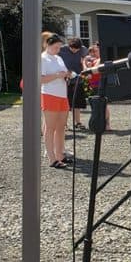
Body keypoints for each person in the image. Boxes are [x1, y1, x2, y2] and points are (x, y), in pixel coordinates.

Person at [41, 32, 73, 169]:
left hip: (62, 95)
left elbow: (64, 73)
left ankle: (60, 154)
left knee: (61, 127)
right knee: (50, 128)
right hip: (49, 95)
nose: (58, 50)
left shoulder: (58, 58)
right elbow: (41, 79)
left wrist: (67, 75)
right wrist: (57, 75)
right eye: (56, 47)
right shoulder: (42, 59)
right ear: (47, 44)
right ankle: (52, 158)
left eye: (59, 47)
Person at [59, 37, 88, 130]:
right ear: (69, 46)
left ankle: (78, 122)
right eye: (72, 49)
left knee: (77, 103)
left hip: (78, 79)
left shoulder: (83, 49)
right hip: (65, 80)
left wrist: (85, 69)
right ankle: (64, 124)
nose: (75, 51)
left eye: (77, 49)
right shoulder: (62, 49)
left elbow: (84, 60)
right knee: (66, 103)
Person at [83, 42, 112, 131]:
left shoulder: (100, 59)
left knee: (104, 105)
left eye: (95, 51)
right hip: (94, 85)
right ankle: (99, 123)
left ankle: (107, 124)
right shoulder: (91, 60)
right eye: (91, 51)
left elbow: (93, 70)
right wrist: (84, 62)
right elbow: (86, 73)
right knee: (96, 105)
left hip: (100, 84)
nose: (93, 53)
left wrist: (85, 64)